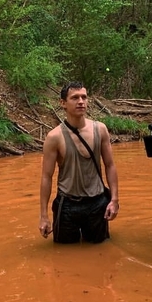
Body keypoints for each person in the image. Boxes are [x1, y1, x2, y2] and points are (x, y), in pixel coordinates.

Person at [39, 82, 119, 243]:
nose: (81, 101)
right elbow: (46, 177)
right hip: (67, 205)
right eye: (75, 98)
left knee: (100, 251)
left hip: (97, 203)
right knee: (63, 255)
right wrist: (44, 216)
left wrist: (114, 200)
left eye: (84, 97)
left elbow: (110, 165)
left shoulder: (100, 129)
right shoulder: (54, 137)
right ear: (63, 103)